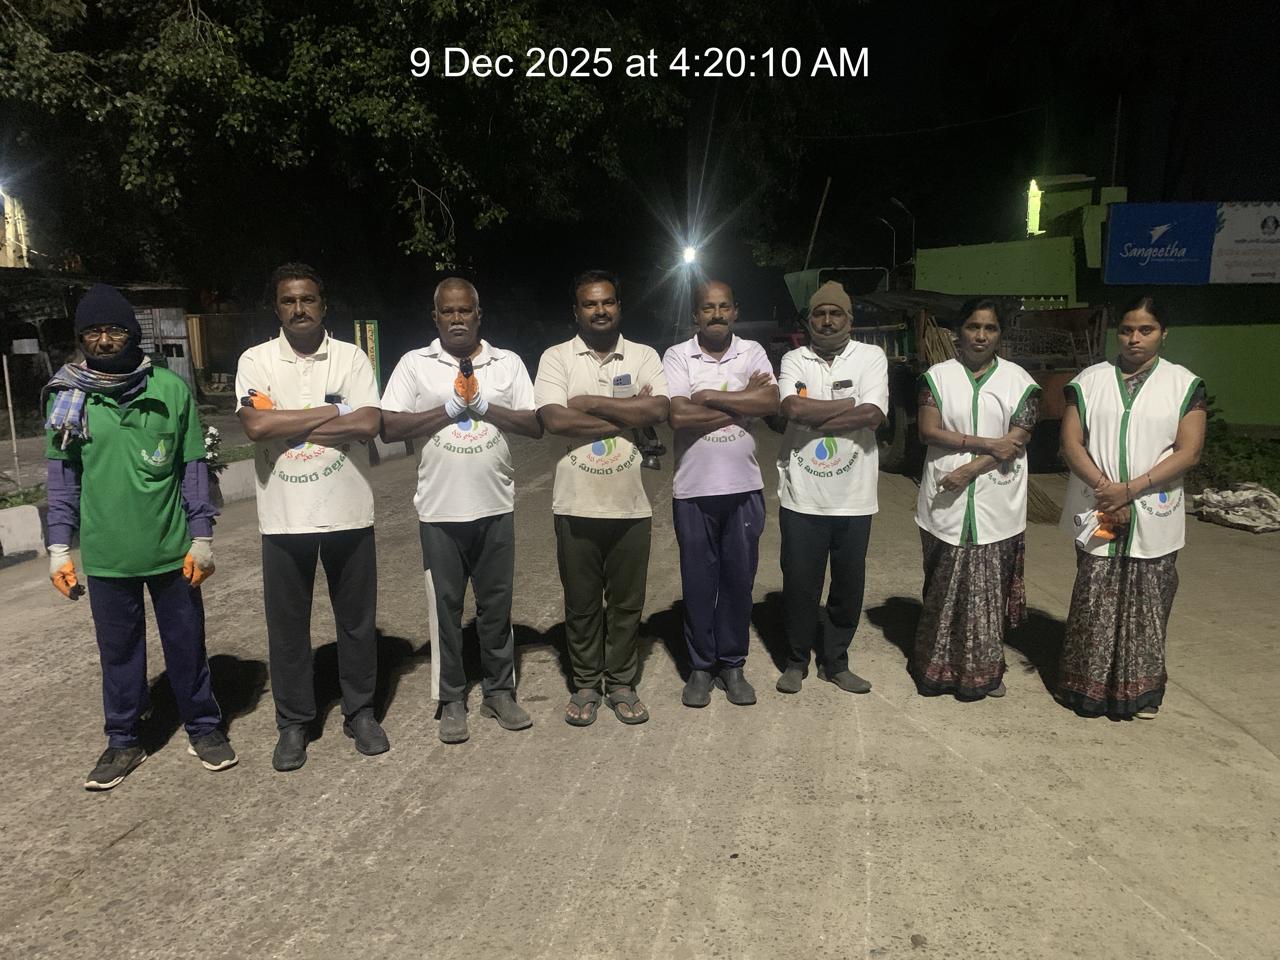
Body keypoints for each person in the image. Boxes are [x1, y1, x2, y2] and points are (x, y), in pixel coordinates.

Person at [44, 284, 236, 790]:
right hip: (107, 557)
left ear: (133, 334)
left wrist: (202, 538)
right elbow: (62, 481)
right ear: (82, 337)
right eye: (93, 332)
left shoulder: (169, 390)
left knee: (187, 646)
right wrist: (59, 549)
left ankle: (204, 727)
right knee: (119, 654)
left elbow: (192, 469)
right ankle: (124, 740)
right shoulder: (68, 398)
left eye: (115, 330)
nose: (105, 340)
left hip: (173, 552)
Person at [235, 263, 388, 770]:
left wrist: (289, 422)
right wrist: (334, 411)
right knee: (287, 628)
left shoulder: (351, 357)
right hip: (283, 517)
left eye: (308, 299)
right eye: (288, 301)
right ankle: (294, 722)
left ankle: (360, 712)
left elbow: (369, 423)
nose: (299, 309)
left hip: (348, 511)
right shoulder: (256, 360)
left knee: (357, 623)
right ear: (276, 308)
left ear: (324, 305)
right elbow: (256, 427)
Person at [380, 278, 542, 744]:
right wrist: (449, 409)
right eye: (447, 311)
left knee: (496, 607)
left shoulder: (506, 363)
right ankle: (452, 698)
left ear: (478, 314)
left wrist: (484, 407)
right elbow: (389, 426)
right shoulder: (415, 364)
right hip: (439, 510)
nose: (456, 319)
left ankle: (499, 692)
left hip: (495, 505)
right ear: (435, 317)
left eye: (465, 310)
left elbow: (534, 424)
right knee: (446, 611)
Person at [1056, 295, 1206, 719]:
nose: (1134, 338)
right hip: (1098, 503)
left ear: (1163, 334)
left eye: (1146, 330)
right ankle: (1087, 688)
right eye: (1126, 330)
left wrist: (1131, 489)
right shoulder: (1090, 380)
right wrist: (1107, 489)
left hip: (1153, 507)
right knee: (1094, 599)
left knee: (1148, 602)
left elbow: (1189, 451)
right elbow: (1071, 443)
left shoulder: (1183, 385)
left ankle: (1141, 693)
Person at [534, 269, 669, 726]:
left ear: (619, 307)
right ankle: (587, 683)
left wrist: (588, 403)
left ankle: (622, 682)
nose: (600, 310)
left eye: (607, 302)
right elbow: (555, 420)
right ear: (576, 312)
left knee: (628, 604)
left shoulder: (644, 354)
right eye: (590, 304)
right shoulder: (556, 358)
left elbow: (659, 409)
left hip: (632, 504)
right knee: (582, 603)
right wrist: (629, 414)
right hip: (575, 502)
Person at [912, 299, 1040, 699]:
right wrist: (985, 443)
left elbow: (1017, 438)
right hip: (944, 499)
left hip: (996, 500)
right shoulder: (937, 378)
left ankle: (984, 673)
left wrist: (970, 469)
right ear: (958, 333)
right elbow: (928, 431)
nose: (981, 336)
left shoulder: (1020, 382)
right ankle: (935, 670)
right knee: (942, 586)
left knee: (987, 594)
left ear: (1000, 335)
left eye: (990, 328)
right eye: (973, 327)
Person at [663, 280, 778, 707]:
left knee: (737, 582)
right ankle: (700, 666)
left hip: (744, 488)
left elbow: (771, 403)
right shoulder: (678, 355)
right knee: (698, 582)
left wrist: (709, 397)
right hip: (693, 490)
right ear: (696, 315)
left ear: (735, 311)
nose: (716, 314)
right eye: (707, 308)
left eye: (723, 306)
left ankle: (732, 664)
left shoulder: (751, 351)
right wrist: (742, 400)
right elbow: (678, 415)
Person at [775, 281, 887, 695]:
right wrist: (849, 403)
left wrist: (814, 416)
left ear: (849, 319)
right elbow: (791, 408)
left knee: (848, 586)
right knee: (799, 584)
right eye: (819, 313)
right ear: (809, 320)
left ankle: (836, 662)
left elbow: (873, 415)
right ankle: (796, 661)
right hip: (802, 495)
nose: (827, 321)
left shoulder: (871, 357)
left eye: (835, 313)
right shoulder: (794, 359)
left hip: (854, 497)